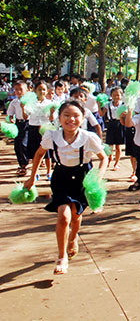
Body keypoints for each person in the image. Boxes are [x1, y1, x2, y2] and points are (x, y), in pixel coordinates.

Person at [23, 99, 108, 274]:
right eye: (66, 115)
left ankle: (73, 237)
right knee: (64, 216)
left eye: (76, 116)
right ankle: (62, 257)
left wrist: (98, 178)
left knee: (76, 217)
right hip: (61, 178)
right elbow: (39, 154)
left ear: (83, 117)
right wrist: (32, 179)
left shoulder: (89, 138)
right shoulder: (51, 136)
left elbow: (103, 158)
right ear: (59, 118)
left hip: (82, 179)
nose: (71, 119)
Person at [7, 80, 30, 176]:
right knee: (17, 145)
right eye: (16, 89)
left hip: (27, 124)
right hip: (18, 124)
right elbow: (10, 114)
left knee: (23, 144)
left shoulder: (29, 102)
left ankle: (25, 164)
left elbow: (26, 117)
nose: (18, 91)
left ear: (26, 90)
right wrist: (11, 119)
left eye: (21, 89)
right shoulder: (14, 102)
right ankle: (21, 164)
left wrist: (23, 107)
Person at [102, 87, 126, 171]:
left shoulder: (123, 105)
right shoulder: (107, 104)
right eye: (114, 95)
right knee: (109, 145)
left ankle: (116, 163)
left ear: (121, 96)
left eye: (118, 95)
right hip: (111, 124)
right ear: (111, 95)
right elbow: (101, 114)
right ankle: (109, 159)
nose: (116, 97)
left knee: (118, 146)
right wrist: (98, 105)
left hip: (120, 124)